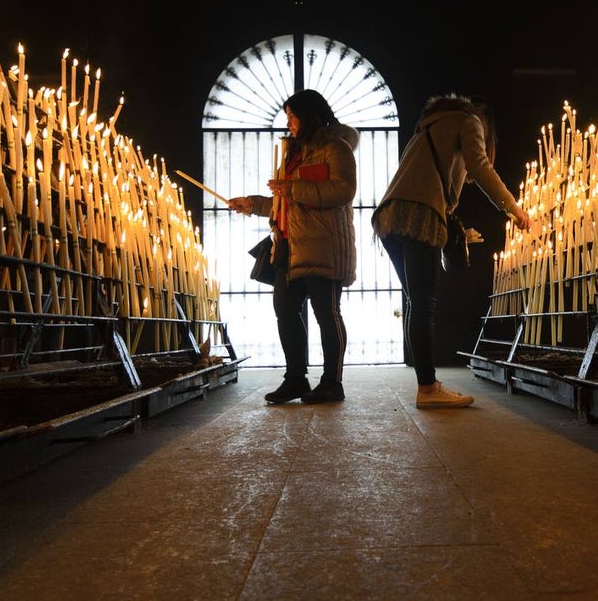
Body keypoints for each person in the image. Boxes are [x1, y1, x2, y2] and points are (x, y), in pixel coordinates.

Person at [373, 93, 531, 410]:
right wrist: (514, 209)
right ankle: (428, 388)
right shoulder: (469, 121)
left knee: (416, 301)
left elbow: (422, 186)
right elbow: (480, 166)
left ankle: (426, 384)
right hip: (419, 216)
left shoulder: (428, 126)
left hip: (390, 217)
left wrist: (456, 234)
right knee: (424, 302)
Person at [228, 90, 359, 405]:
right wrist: (253, 204)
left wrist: (294, 188)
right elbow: (283, 200)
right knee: (285, 310)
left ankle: (332, 382)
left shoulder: (336, 148)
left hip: (323, 246)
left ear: (309, 115)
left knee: (326, 313)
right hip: (289, 246)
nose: (288, 123)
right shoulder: (293, 153)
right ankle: (296, 378)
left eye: (292, 116)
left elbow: (343, 190)